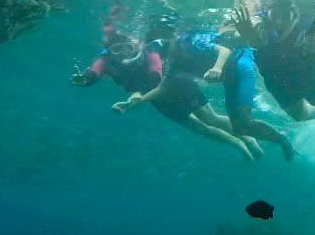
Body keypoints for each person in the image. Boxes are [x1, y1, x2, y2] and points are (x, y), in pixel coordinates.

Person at [71, 23, 261, 163]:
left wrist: (134, 100)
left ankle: (247, 136)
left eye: (128, 46)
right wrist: (86, 80)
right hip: (158, 99)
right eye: (117, 50)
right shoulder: (108, 61)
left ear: (135, 43)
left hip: (177, 86)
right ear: (110, 52)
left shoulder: (150, 49)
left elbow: (156, 76)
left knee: (210, 118)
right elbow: (94, 71)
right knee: (200, 128)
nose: (124, 53)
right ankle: (238, 144)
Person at [119, 25, 295, 162]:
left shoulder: (187, 42)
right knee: (238, 126)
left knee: (238, 122)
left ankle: (280, 139)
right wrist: (137, 101)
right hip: (229, 79)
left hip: (239, 69)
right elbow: (162, 88)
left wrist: (217, 68)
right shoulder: (171, 63)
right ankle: (277, 137)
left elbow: (225, 50)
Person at [233, 0, 315, 154]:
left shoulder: (311, 30)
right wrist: (247, 36)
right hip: (279, 83)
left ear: (296, 16)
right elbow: (238, 46)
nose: (279, 22)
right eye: (274, 16)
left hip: (312, 81)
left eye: (285, 16)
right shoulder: (258, 29)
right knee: (299, 116)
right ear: (267, 14)